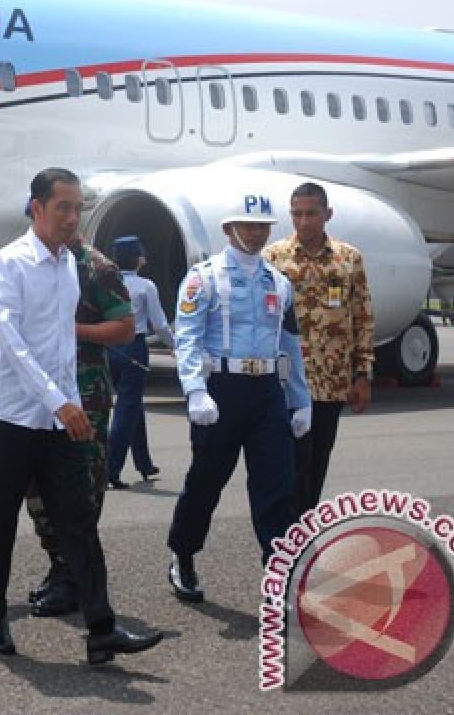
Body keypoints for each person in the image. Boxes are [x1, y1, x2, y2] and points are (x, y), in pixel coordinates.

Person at [0, 167, 162, 664]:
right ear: (36, 207)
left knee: (79, 521)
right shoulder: (8, 264)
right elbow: (11, 344)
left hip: (62, 416)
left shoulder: (68, 265)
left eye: (77, 207)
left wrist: (70, 405)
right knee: (1, 519)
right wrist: (57, 400)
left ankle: (101, 627)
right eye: (63, 207)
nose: (72, 217)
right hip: (16, 415)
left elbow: (61, 343)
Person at [167, 193, 312, 603]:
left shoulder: (279, 283)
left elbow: (290, 343)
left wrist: (301, 400)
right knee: (205, 483)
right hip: (221, 390)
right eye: (246, 225)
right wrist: (195, 391)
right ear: (228, 229)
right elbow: (189, 338)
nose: (255, 232)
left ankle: (278, 575)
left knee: (276, 486)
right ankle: (184, 553)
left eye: (262, 226)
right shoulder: (203, 278)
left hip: (267, 391)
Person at [23, 208, 136, 619]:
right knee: (36, 487)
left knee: (81, 488)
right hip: (35, 393)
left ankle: (75, 576)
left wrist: (70, 330)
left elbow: (124, 327)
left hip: (85, 391)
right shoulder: (24, 261)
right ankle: (60, 565)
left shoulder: (96, 267)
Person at [263, 182, 374, 514]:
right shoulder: (273, 258)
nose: (304, 221)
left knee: (318, 459)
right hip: (286, 381)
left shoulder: (348, 259)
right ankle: (288, 537)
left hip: (331, 381)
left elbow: (362, 317)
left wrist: (363, 375)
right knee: (290, 463)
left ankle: (304, 530)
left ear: (327, 214)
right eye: (297, 214)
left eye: (311, 214)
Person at [105, 236, 174, 489]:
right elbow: (160, 324)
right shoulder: (146, 286)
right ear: (139, 258)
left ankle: (144, 462)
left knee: (132, 403)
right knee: (127, 406)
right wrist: (176, 345)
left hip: (109, 346)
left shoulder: (108, 281)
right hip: (134, 346)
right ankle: (110, 468)